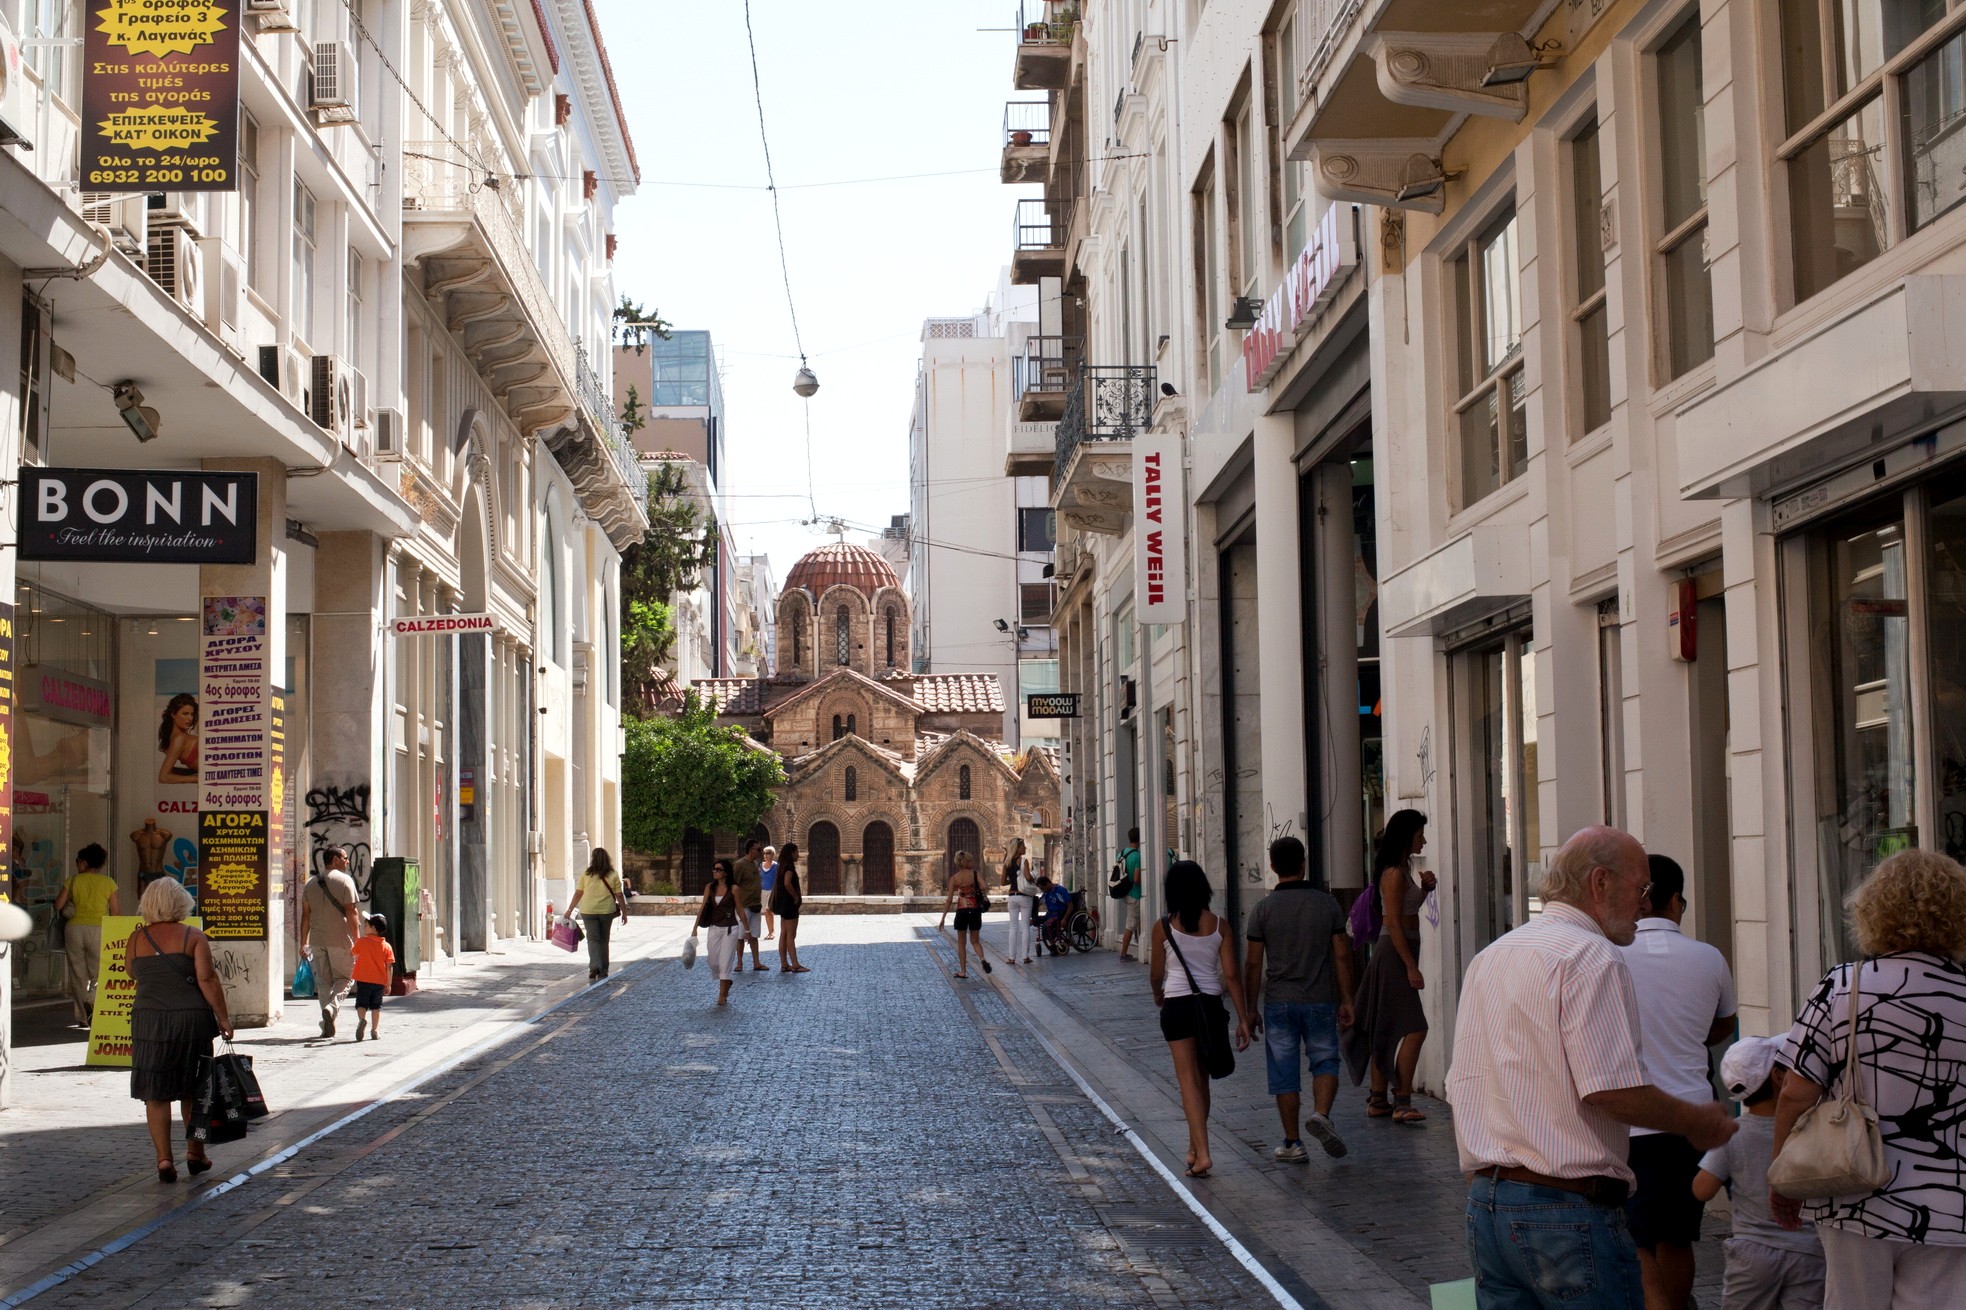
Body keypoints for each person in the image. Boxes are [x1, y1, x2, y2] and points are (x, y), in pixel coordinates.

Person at [1449, 826, 1737, 1310]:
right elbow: (1610, 1090)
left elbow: (1465, 1084)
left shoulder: (1492, 956)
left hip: (1488, 1206)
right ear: (1600, 883)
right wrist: (1696, 1120)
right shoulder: (1590, 956)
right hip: (1564, 1209)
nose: (1646, 906)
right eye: (1641, 889)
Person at [1771, 848, 1966, 1307]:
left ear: (1874, 910)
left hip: (1852, 1190)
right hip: (1952, 1200)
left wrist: (1781, 1176)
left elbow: (1794, 1094)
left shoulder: (1843, 986)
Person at [1620, 854, 1737, 1310]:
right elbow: (1723, 1024)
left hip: (1628, 1118)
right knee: (1678, 1235)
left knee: (1636, 1236)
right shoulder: (1708, 957)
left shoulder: (1610, 955)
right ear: (1674, 901)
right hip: (1690, 1119)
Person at [1691, 1037, 1825, 1310]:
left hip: (1752, 1253)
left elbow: (1701, 1189)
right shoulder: (1810, 1130)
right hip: (1808, 1250)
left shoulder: (1733, 1134)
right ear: (1779, 1077)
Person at [1243, 835, 1355, 1162]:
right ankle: (1320, 1114)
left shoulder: (1262, 910)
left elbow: (1252, 963)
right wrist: (1347, 998)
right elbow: (1341, 956)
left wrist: (1250, 1009)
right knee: (1325, 1060)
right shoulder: (1327, 905)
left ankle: (1293, 1143)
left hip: (1279, 1002)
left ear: (1273, 867)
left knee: (1283, 1071)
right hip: (1320, 998)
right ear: (1304, 864)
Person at [1151, 859, 1252, 1178]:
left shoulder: (1163, 926)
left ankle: (1203, 1152)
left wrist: (1158, 994)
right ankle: (1195, 1148)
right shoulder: (1220, 925)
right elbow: (1232, 976)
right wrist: (1244, 1018)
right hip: (1210, 1007)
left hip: (1177, 1006)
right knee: (1202, 1080)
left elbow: (1156, 973)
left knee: (1187, 1081)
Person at [127, 877, 233, 1183]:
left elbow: (132, 971)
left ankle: (163, 1160)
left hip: (150, 1021)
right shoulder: (193, 937)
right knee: (193, 1089)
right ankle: (195, 1153)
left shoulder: (135, 940)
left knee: (155, 1094)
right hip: (191, 1020)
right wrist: (224, 1019)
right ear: (180, 902)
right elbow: (208, 980)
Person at [1345, 809, 1435, 1124]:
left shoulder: (1399, 869)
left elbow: (1405, 912)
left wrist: (1424, 892)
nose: (1423, 840)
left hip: (1398, 950)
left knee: (1383, 1027)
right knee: (1415, 1028)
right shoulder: (1395, 872)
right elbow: (1394, 924)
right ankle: (1403, 1101)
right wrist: (1411, 967)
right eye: (1419, 834)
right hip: (1395, 953)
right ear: (1406, 835)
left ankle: (1379, 1099)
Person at [297, 846, 361, 1038]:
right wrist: (357, 941)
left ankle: (327, 1025)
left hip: (317, 940)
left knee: (324, 983)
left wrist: (303, 943)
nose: (347, 861)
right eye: (345, 858)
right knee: (346, 978)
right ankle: (332, 1009)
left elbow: (305, 916)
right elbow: (352, 912)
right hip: (340, 939)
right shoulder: (345, 881)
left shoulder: (310, 883)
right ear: (335, 860)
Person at [53, 843, 118, 1026]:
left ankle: (82, 1018)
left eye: (78, 861)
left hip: (74, 930)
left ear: (84, 862)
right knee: (100, 971)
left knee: (77, 975)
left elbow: (58, 905)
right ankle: (92, 999)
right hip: (99, 929)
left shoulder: (73, 881)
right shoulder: (109, 883)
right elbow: (116, 912)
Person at [693, 858, 745, 1005]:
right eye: (714, 869)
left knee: (725, 962)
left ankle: (722, 995)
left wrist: (746, 929)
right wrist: (694, 929)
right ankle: (727, 982)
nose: (715, 871)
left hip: (730, 929)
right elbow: (702, 908)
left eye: (718, 869)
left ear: (726, 872)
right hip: (714, 927)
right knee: (713, 961)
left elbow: (740, 909)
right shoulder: (709, 887)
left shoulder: (734, 889)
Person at [573, 848, 628, 981]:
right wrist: (624, 913)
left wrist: (570, 910)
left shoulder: (586, 874)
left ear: (593, 859)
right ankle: (603, 969)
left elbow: (578, 893)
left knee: (592, 940)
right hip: (606, 911)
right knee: (604, 940)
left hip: (588, 910)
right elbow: (619, 895)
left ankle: (594, 967)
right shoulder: (613, 874)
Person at [938, 850, 992, 978]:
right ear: (965, 862)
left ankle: (963, 971)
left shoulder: (954, 878)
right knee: (975, 941)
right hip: (975, 910)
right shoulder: (975, 874)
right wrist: (975, 888)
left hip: (962, 911)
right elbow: (984, 886)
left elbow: (949, 900)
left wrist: (943, 918)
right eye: (970, 861)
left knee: (961, 943)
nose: (972, 863)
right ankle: (982, 958)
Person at [350, 913, 395, 1042]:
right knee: (376, 1006)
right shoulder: (387, 946)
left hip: (363, 980)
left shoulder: (362, 942)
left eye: (366, 925)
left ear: (374, 928)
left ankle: (362, 1020)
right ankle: (374, 1030)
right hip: (379, 982)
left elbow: (352, 954)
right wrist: (389, 984)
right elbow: (389, 967)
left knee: (361, 1003)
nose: (364, 927)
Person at [770, 842, 808, 973]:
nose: (798, 854)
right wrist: (795, 896)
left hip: (783, 904)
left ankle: (784, 964)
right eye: (796, 852)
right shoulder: (789, 868)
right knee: (791, 935)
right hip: (789, 905)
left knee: (784, 934)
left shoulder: (781, 866)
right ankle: (796, 964)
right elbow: (787, 883)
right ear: (791, 853)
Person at [732, 839, 767, 973]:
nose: (760, 852)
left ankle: (756, 962)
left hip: (756, 905)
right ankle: (739, 962)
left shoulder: (755, 864)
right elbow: (734, 885)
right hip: (744, 906)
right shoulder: (740, 865)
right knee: (741, 936)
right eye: (758, 849)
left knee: (754, 935)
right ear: (750, 850)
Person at [1004, 837, 1037, 965]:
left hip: (1012, 897)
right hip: (1024, 897)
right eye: (1023, 846)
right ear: (1018, 848)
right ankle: (1025, 957)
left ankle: (1011, 958)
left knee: (1013, 927)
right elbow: (1028, 877)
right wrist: (1033, 879)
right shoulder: (1024, 861)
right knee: (1025, 927)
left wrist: (1013, 880)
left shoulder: (1007, 863)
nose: (1025, 848)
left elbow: (1002, 882)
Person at [1116, 827, 1145, 962]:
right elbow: (1137, 879)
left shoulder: (1121, 853)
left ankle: (1137, 945)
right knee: (1131, 924)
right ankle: (1124, 953)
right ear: (1139, 839)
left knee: (1135, 921)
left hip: (1124, 892)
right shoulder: (1137, 856)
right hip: (1134, 893)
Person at [156, 693, 198, 783]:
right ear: (173, 714)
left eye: (192, 714)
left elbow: (170, 771)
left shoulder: (179, 738)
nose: (190, 718)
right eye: (185, 714)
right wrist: (198, 779)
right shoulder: (179, 739)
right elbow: (164, 777)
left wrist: (200, 773)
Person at [759, 845, 780, 939]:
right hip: (763, 891)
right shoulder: (761, 865)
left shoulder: (776, 866)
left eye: (768, 853)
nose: (766, 855)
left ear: (773, 854)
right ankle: (770, 931)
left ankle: (772, 932)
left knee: (769, 910)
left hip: (772, 891)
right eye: (765, 853)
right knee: (766, 912)